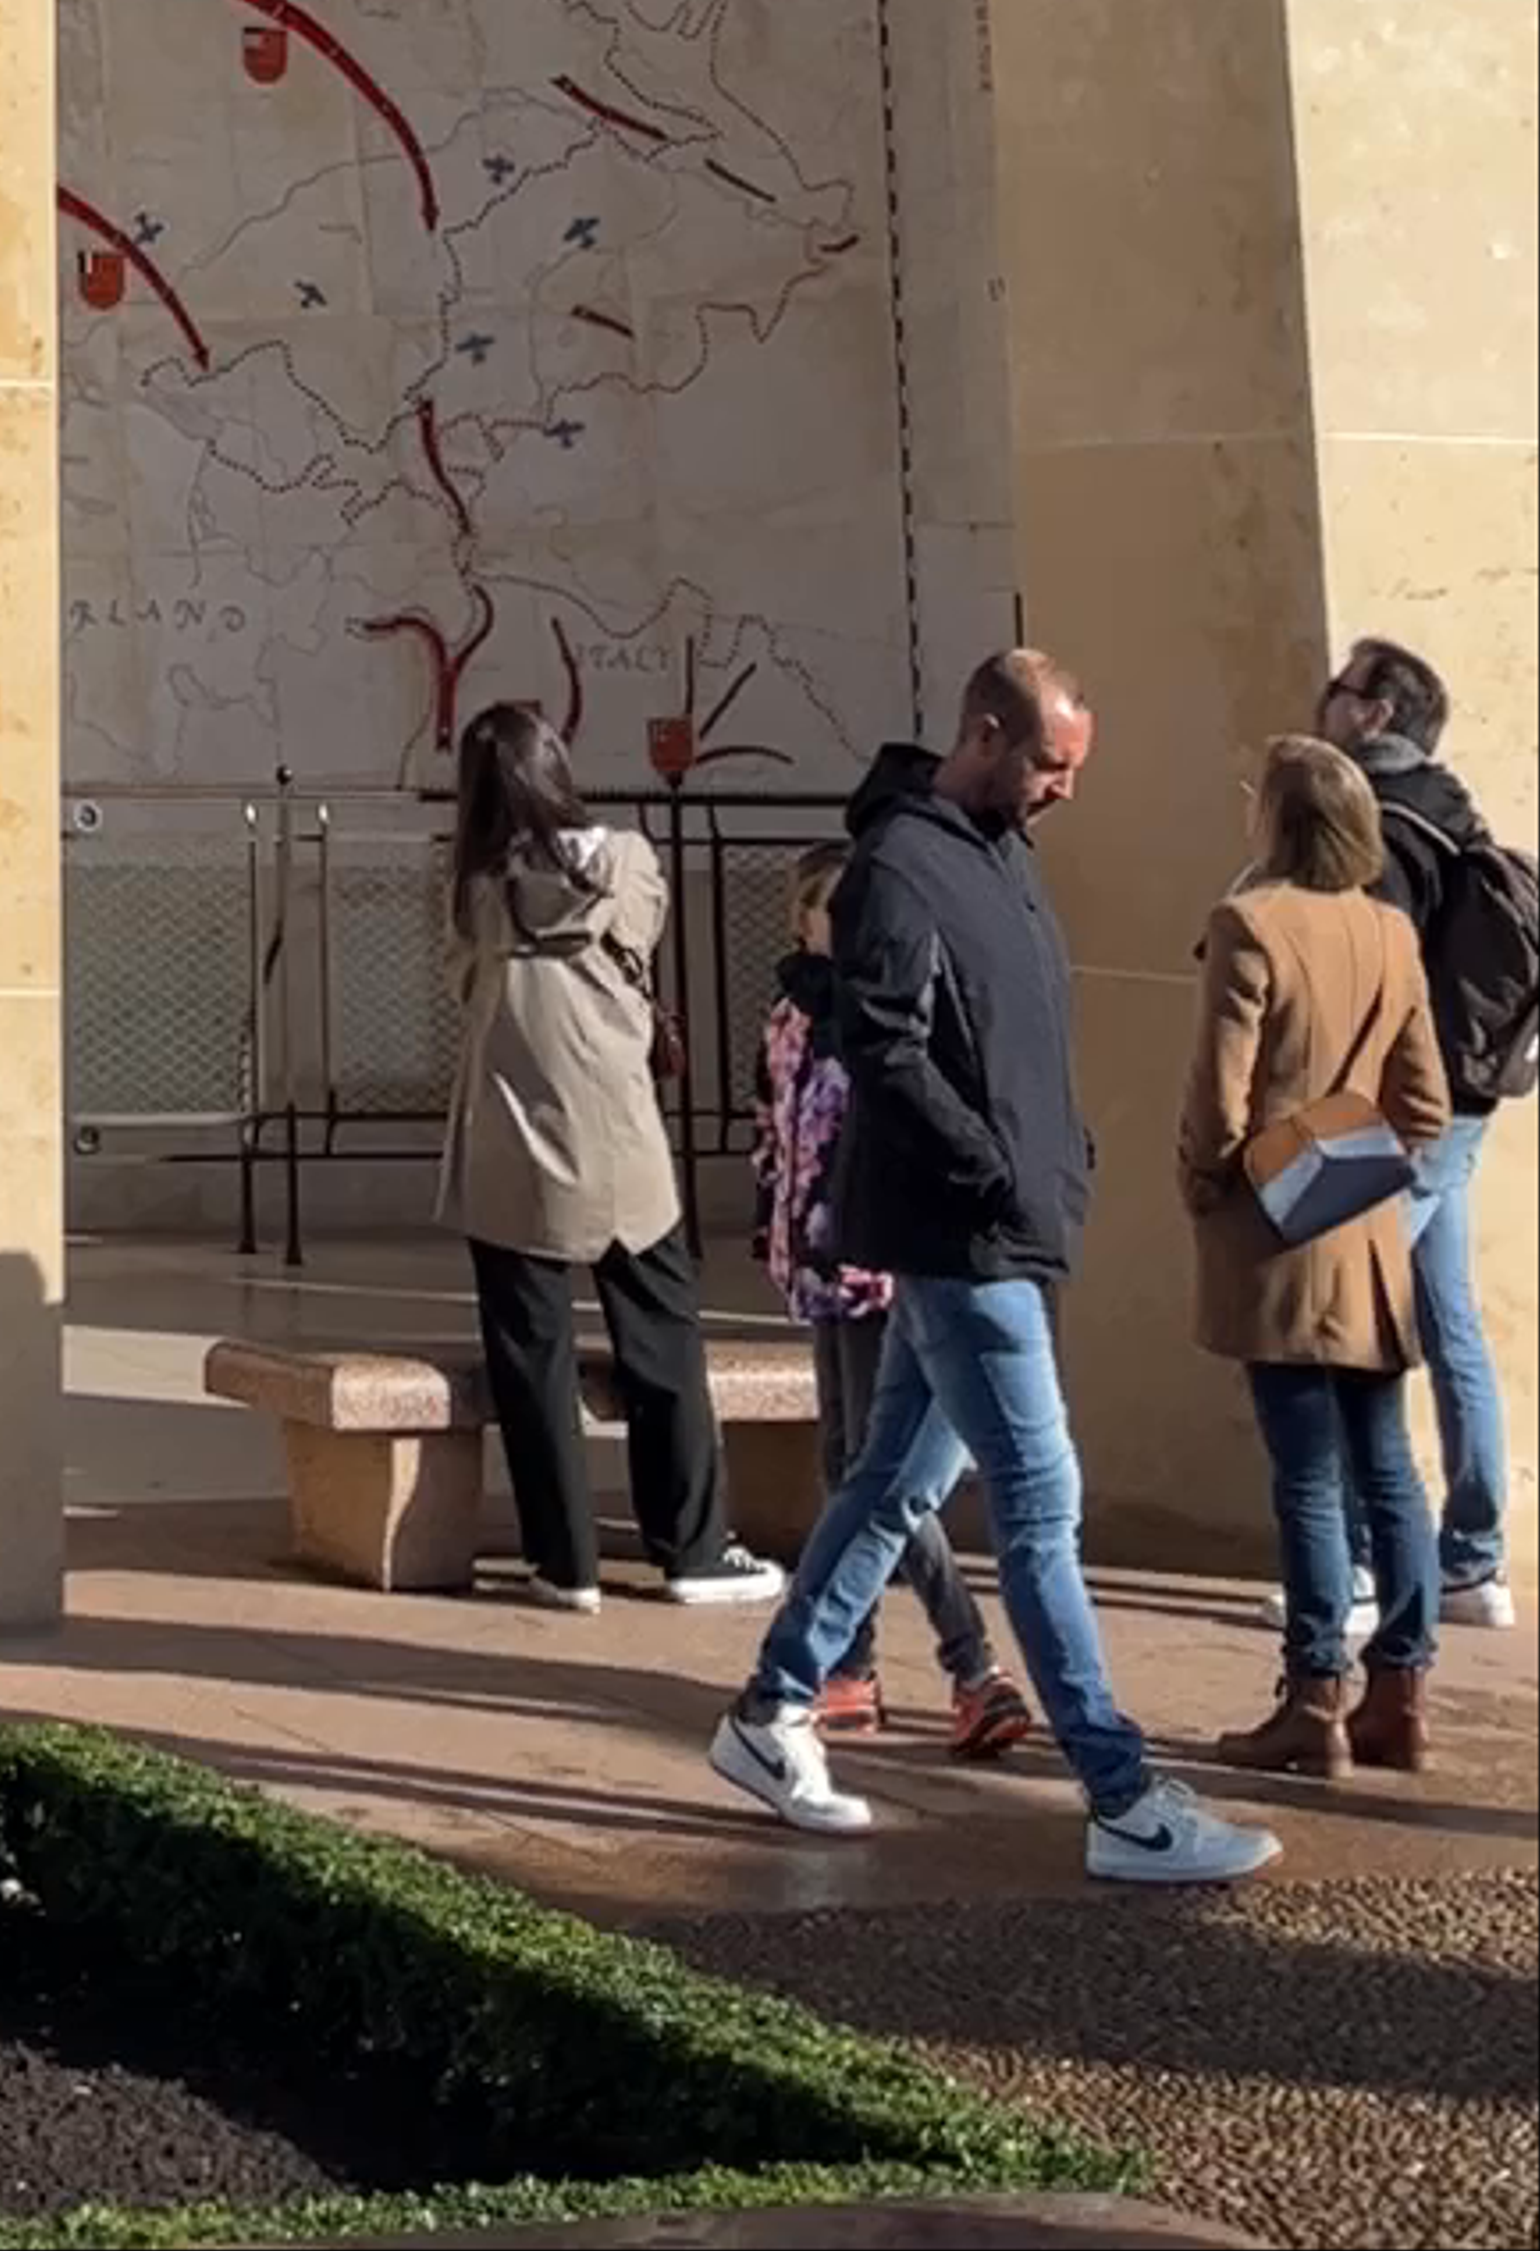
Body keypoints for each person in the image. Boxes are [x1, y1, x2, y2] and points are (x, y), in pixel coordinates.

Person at [709, 645, 1275, 1885]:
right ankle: (1122, 1793)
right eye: (1053, 763)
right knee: (1040, 1507)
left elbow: (1005, 1035)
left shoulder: (995, 853)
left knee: (892, 1482)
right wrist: (992, 1165)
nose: (1067, 788)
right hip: (962, 1237)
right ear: (986, 733)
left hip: (996, 1224)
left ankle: (770, 1708)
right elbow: (886, 1044)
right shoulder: (901, 866)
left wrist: (1049, 1156)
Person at [435, 700, 774, 1608]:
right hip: (620, 1137)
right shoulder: (628, 861)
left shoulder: (474, 888)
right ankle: (693, 1549)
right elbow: (646, 934)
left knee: (530, 1353)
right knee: (663, 1336)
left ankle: (563, 1562)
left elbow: (463, 976)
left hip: (513, 1143)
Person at [1186, 736, 1455, 1782]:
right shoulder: (1389, 930)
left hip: (1275, 1226)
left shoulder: (1249, 921)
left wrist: (1222, 1180)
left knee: (1304, 1471)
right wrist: (1340, 1168)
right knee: (1386, 1465)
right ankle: (1405, 1688)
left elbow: (1219, 1095)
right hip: (1366, 1234)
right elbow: (1423, 1104)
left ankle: (1313, 1694)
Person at [751, 843, 1031, 1756]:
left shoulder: (885, 1018)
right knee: (843, 1466)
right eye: (836, 907)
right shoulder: (792, 1013)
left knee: (883, 1477)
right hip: (818, 1267)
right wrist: (776, 1228)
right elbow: (775, 1130)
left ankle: (971, 1660)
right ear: (805, 917)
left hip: (877, 1270)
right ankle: (853, 1664)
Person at [1320, 633, 1528, 1627]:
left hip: (1398, 1110)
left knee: (1341, 1320)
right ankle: (1473, 1559)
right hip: (1463, 1104)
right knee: (1449, 1323)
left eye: (1344, 688)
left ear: (1380, 713)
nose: (1327, 697)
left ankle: (1358, 1562)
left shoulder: (1383, 822)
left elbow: (1377, 973)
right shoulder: (1452, 808)